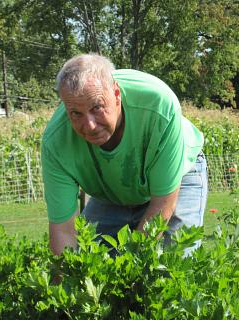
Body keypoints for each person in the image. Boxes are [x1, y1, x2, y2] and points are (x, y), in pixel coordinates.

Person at [41, 53, 208, 257]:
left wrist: (130, 268)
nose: (90, 125)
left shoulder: (159, 105)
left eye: (97, 107)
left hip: (180, 174)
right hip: (111, 191)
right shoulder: (56, 141)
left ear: (117, 94)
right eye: (76, 114)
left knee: (173, 259)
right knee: (91, 258)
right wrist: (65, 283)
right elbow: (64, 230)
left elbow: (163, 203)